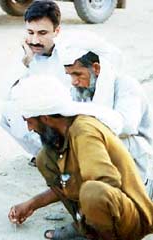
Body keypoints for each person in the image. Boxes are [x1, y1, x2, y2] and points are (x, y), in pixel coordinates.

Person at [8, 75, 153, 240]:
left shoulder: (83, 130)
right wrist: (32, 204)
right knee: (45, 159)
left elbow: (104, 186)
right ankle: (85, 228)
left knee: (92, 190)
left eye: (29, 121)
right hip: (106, 205)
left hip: (132, 221)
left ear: (45, 118)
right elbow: (70, 183)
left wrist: (82, 199)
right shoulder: (63, 132)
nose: (29, 128)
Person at [0, 0, 121, 165]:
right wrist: (26, 60)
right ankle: (46, 155)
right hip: (51, 114)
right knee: (6, 110)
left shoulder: (74, 46)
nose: (35, 39)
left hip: (75, 111)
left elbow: (113, 55)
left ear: (57, 31)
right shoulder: (27, 52)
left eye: (42, 33)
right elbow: (4, 92)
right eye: (30, 32)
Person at [61, 49, 153, 199]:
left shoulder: (125, 85)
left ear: (96, 68)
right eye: (70, 75)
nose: (74, 81)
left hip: (135, 153)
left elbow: (126, 125)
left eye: (77, 74)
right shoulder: (80, 89)